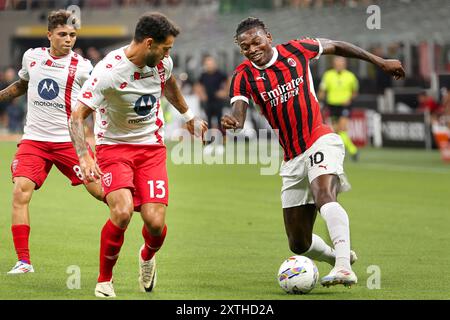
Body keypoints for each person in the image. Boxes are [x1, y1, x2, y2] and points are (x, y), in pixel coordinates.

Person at [222, 17, 405, 287]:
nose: (252, 49)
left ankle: (344, 268)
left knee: (324, 195)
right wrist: (233, 124)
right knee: (299, 243)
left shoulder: (298, 49)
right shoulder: (243, 76)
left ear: (268, 37)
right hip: (291, 157)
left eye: (256, 41)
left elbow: (337, 46)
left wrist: (379, 61)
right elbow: (238, 115)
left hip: (319, 138)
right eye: (245, 46)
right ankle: (336, 258)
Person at [69, 12, 208, 298]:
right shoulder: (108, 71)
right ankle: (104, 280)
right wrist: (84, 156)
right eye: (165, 48)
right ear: (148, 43)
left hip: (151, 148)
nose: (169, 54)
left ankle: (147, 256)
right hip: (114, 147)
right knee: (121, 213)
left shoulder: (161, 63)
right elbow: (77, 116)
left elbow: (169, 84)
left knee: (155, 223)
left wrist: (188, 115)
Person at [0, 10, 103, 275]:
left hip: (69, 141)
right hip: (34, 140)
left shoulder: (83, 67)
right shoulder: (31, 57)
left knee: (101, 193)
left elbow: (96, 100)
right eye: (62, 34)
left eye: (72, 35)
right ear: (49, 35)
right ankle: (23, 262)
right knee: (20, 191)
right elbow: (22, 85)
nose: (68, 39)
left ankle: (144, 218)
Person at [319, 57, 360, 161]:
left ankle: (353, 151)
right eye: (337, 63)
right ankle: (344, 151)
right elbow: (322, 90)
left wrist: (350, 99)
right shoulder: (328, 75)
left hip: (345, 105)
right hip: (332, 105)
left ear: (345, 64)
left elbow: (355, 92)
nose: (339, 65)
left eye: (341, 63)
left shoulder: (350, 76)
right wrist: (320, 100)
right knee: (337, 130)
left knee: (342, 128)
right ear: (333, 64)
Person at [194, 55, 228, 155]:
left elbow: (228, 81)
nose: (209, 65)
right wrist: (201, 94)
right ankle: (208, 145)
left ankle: (221, 145)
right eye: (207, 63)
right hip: (208, 103)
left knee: (220, 124)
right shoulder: (203, 75)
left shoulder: (220, 74)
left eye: (211, 63)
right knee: (207, 124)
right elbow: (197, 85)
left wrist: (224, 92)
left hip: (218, 102)